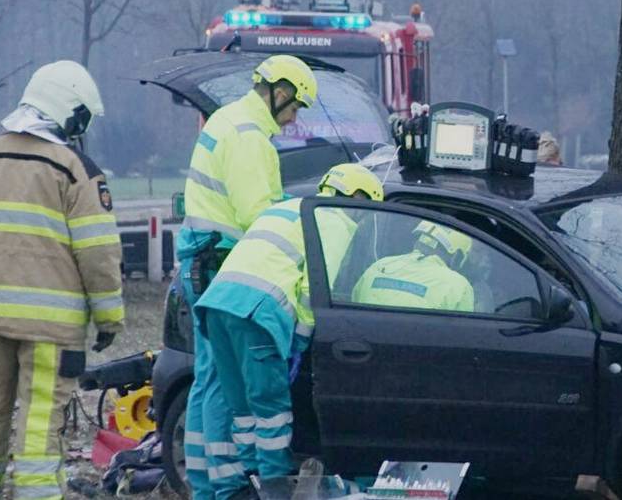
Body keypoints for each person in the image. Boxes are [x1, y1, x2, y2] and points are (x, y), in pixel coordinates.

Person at [194, 163, 383, 499]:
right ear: (357, 197)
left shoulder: (285, 208)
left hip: (217, 305)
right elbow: (314, 287)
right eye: (367, 210)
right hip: (257, 314)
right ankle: (274, 487)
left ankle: (242, 483)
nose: (364, 221)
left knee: (242, 408)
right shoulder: (335, 221)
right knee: (270, 408)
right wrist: (300, 339)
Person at [179, 54, 317, 499]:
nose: (294, 118)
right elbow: (259, 217)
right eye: (295, 107)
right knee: (222, 381)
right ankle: (224, 487)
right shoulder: (250, 137)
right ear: (279, 92)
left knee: (207, 380)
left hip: (204, 265)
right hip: (222, 265)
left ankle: (204, 481)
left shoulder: (226, 120)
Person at [0, 61, 124, 500]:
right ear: (69, 112)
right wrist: (109, 319)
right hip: (52, 330)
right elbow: (99, 255)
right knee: (37, 432)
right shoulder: (76, 170)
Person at [351, 221, 475, 312]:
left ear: (418, 241)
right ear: (457, 256)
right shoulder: (458, 285)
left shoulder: (380, 265)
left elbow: (355, 304)